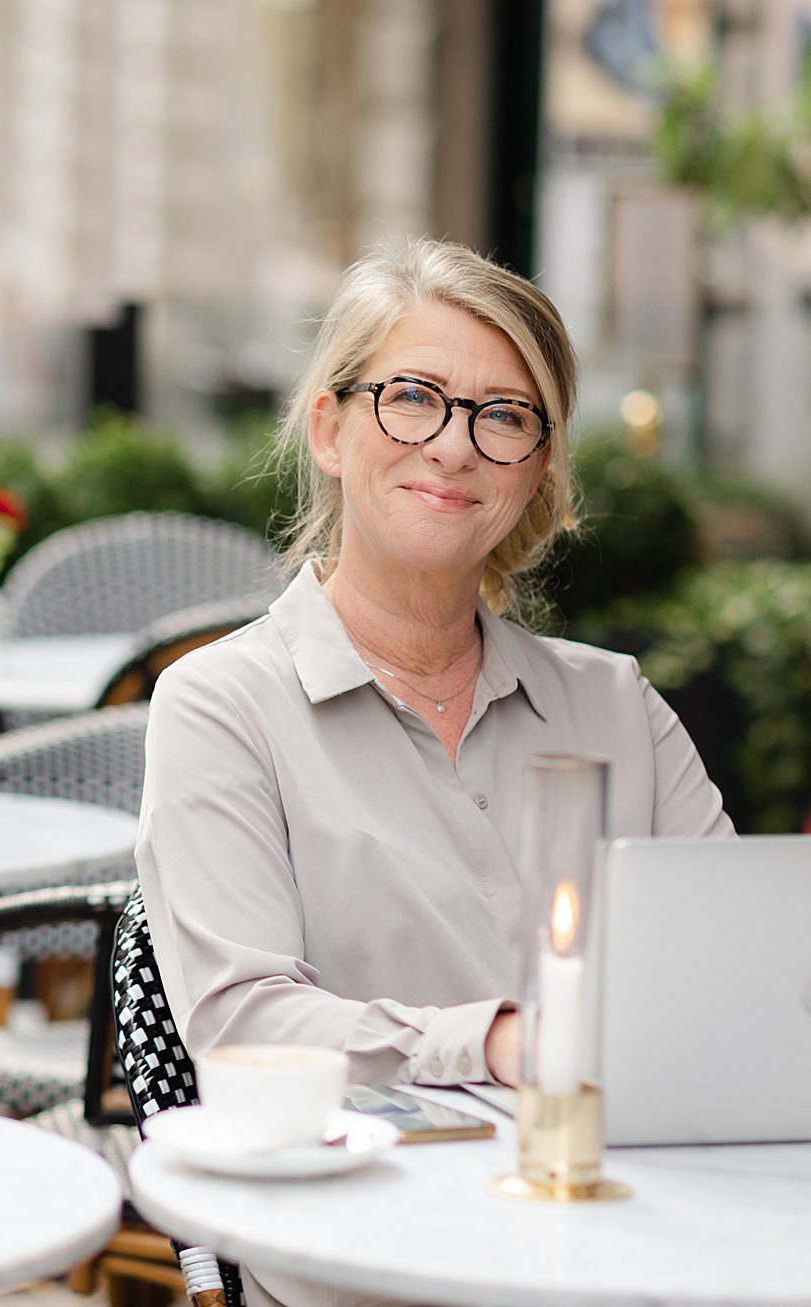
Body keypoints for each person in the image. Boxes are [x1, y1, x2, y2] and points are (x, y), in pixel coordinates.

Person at [135, 239, 732, 1305]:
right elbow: (247, 1022)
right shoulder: (223, 706)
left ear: (537, 466)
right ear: (330, 426)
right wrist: (501, 1039)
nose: (454, 446)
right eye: (413, 397)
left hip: (633, 1237)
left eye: (503, 416)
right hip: (373, 1254)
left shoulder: (615, 706)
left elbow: (729, 965)